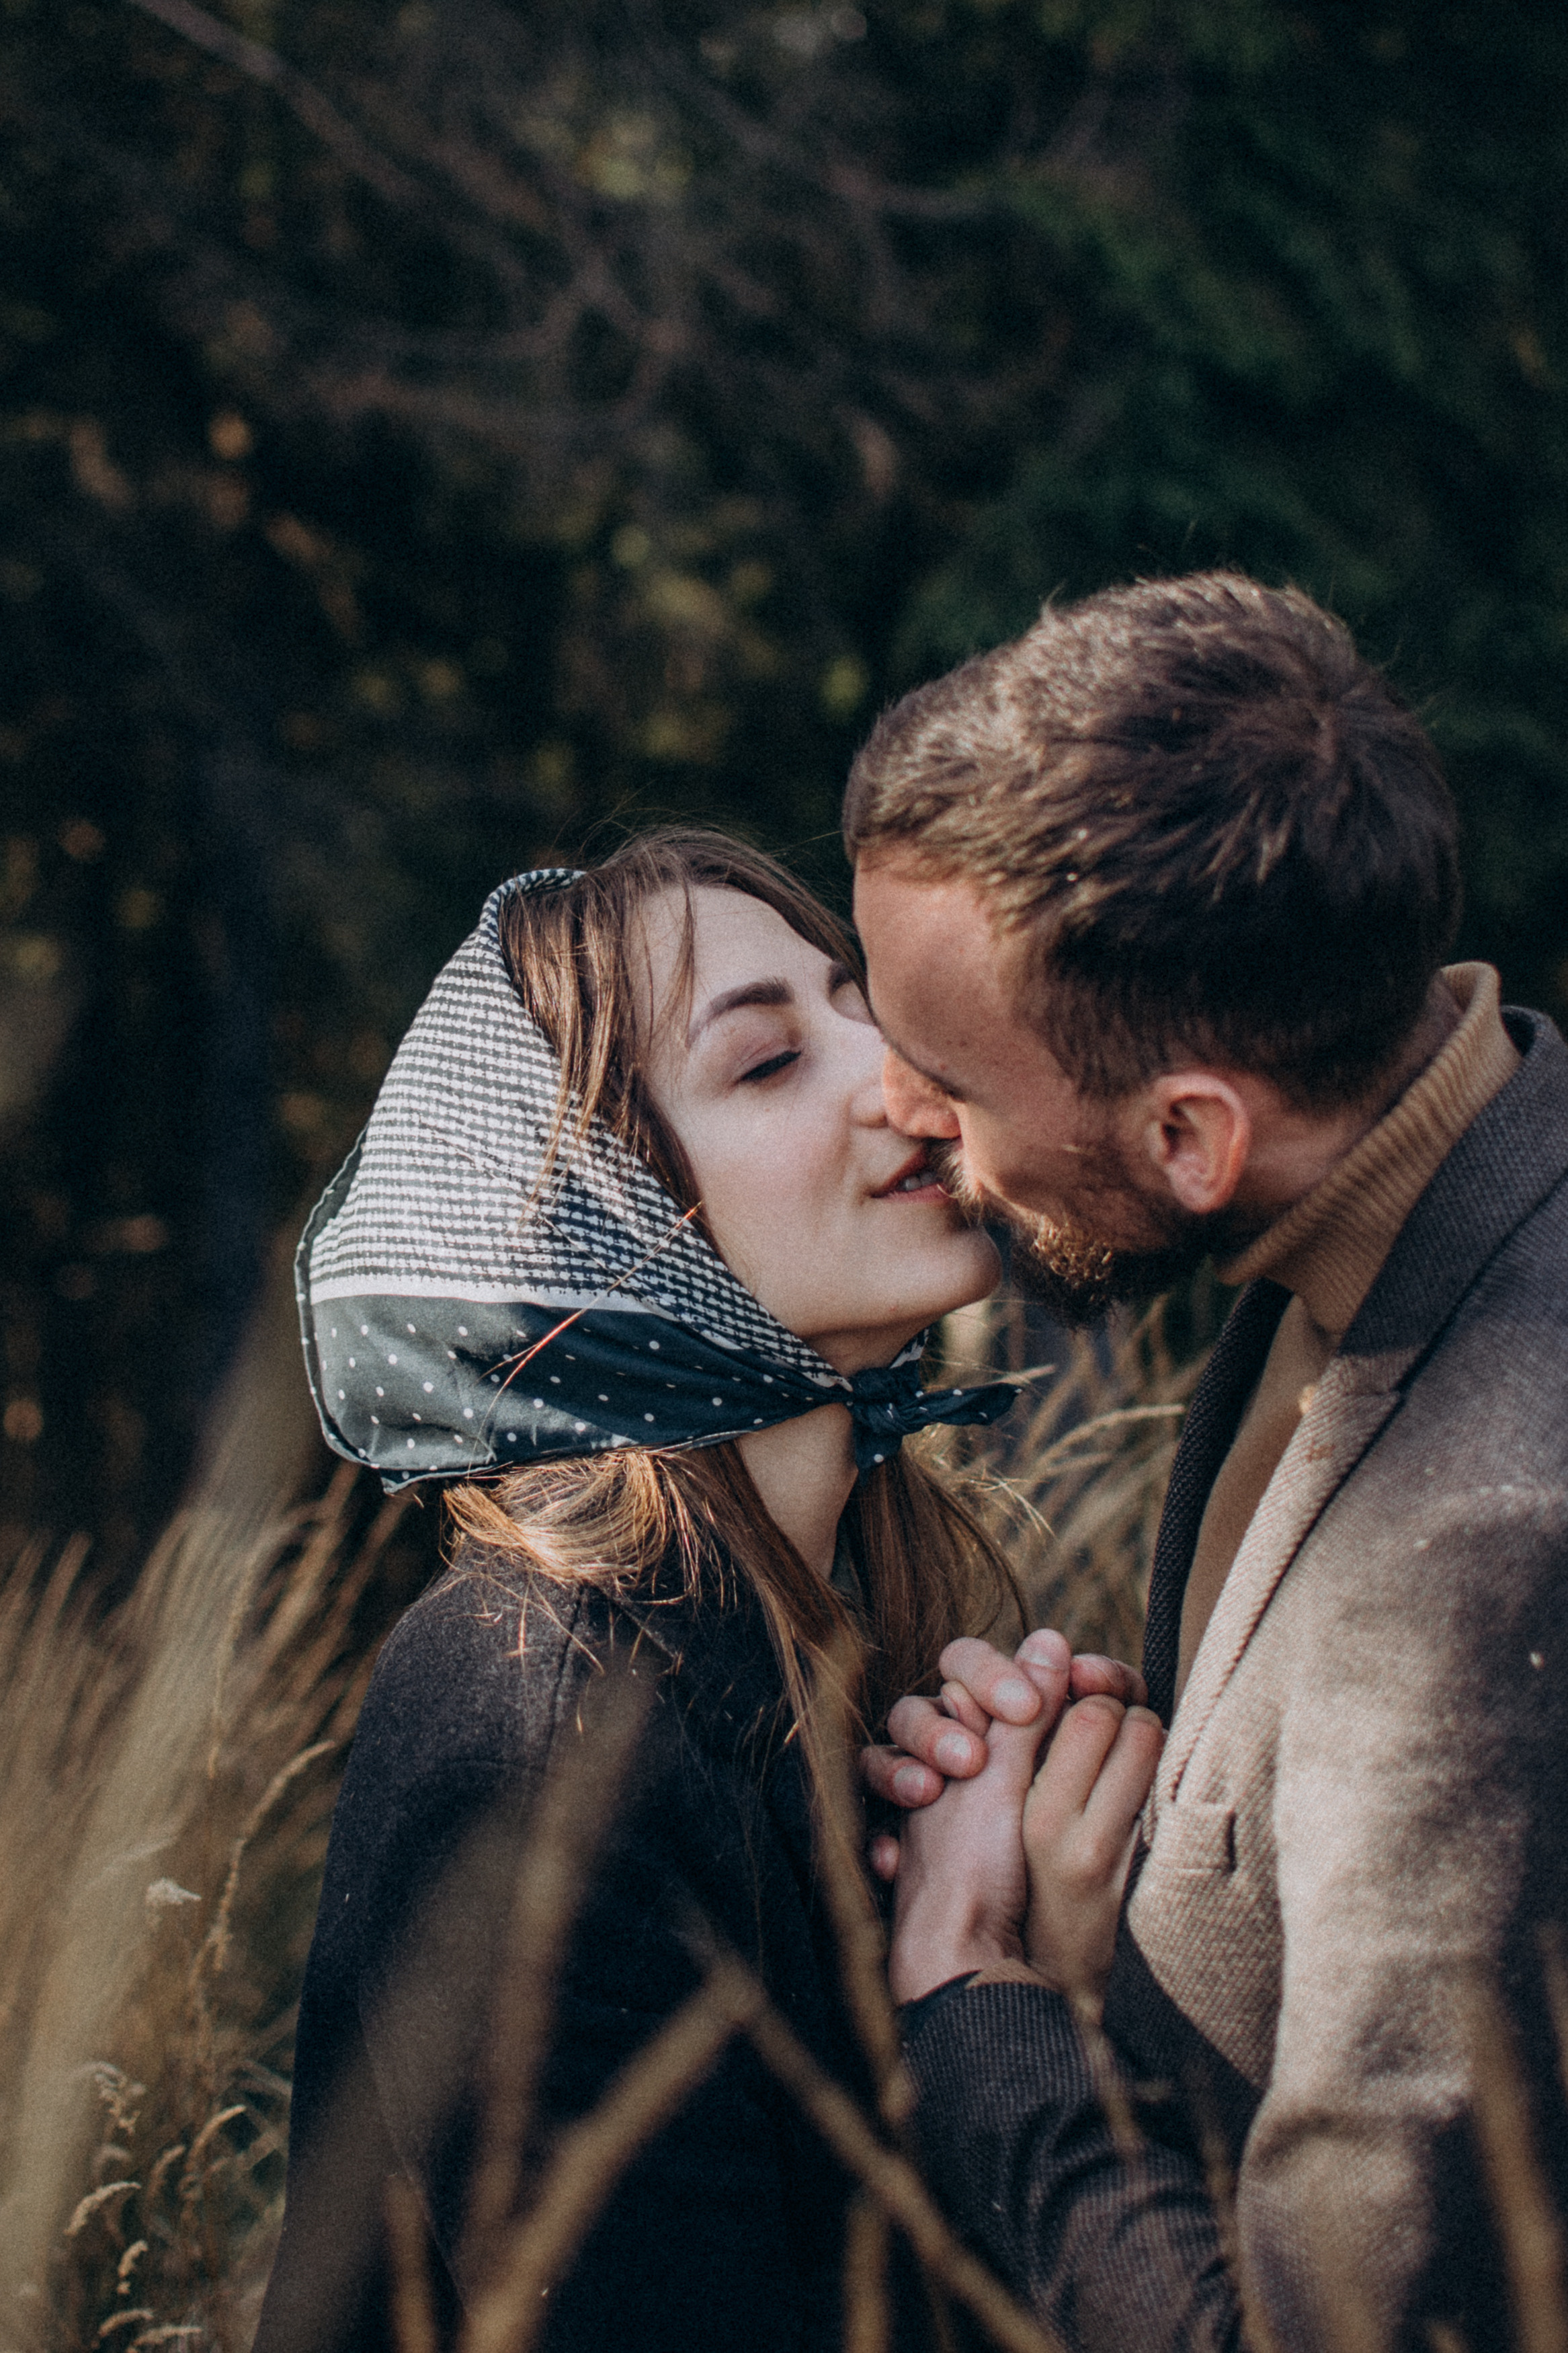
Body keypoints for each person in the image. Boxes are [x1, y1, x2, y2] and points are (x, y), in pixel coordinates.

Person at [255, 830, 1136, 2352]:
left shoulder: (849, 1655)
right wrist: (985, 2000)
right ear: (599, 1222)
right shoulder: (527, 1732)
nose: (899, 1072)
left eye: (866, 1006)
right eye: (770, 1062)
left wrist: (1041, 1950)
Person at [843, 573, 1568, 2353]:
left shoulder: (1484, 1543)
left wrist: (981, 2004)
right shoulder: (1393, 1212)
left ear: (1186, 1134)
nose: (889, 1107)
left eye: (946, 1074)